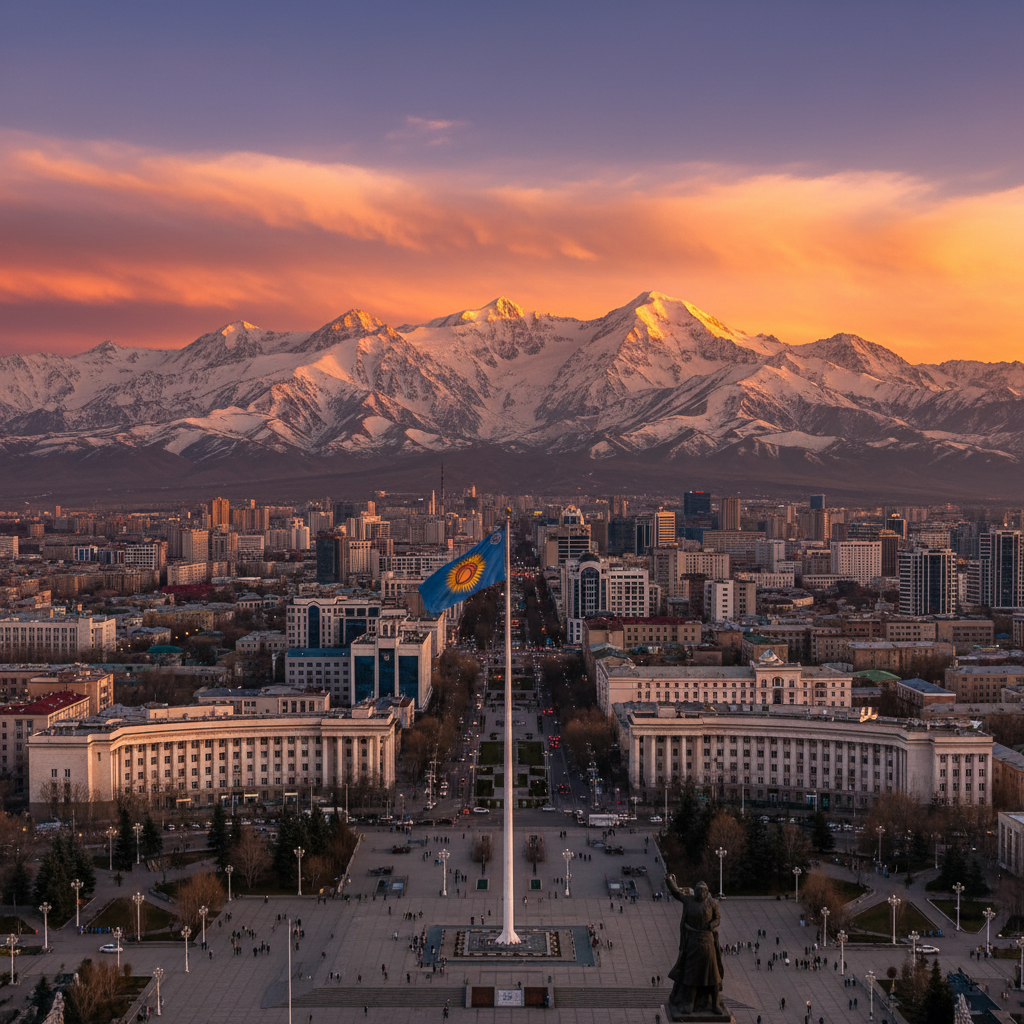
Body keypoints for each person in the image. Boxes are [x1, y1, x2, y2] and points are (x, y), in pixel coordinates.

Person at [665, 877, 725, 1019]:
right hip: (692, 942)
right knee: (691, 975)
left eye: (703, 891)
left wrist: (711, 926)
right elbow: (676, 893)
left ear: (707, 892)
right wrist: (670, 881)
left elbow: (717, 918)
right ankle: (689, 1003)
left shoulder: (712, 903)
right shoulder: (689, 901)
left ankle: (715, 1004)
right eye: (698, 891)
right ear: (695, 892)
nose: (700, 894)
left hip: (708, 942)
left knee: (713, 975)